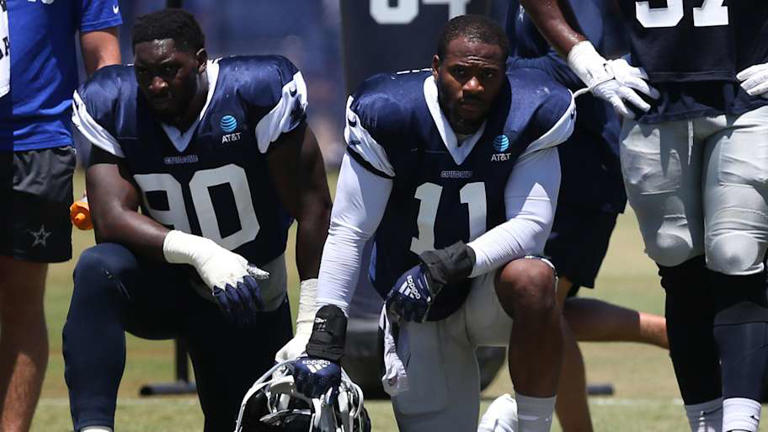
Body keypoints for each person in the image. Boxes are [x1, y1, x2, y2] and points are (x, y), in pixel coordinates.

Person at [288, 15, 576, 432]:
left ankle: (532, 426)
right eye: (460, 73)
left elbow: (531, 224)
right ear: (436, 66)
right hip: (415, 305)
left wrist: (444, 266)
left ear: (505, 75)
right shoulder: (388, 112)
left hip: (488, 289)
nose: (473, 87)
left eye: (487, 76)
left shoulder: (532, 108)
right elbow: (350, 231)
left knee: (533, 278)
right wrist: (325, 338)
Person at [64, 9, 331, 432]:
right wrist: (201, 253)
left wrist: (311, 322)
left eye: (170, 70)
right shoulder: (114, 103)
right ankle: (94, 427)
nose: (156, 84)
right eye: (146, 72)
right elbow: (111, 219)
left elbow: (314, 207)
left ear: (201, 59)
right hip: (167, 281)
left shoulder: (255, 93)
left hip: (246, 294)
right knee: (99, 268)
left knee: (247, 422)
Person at [518, 0, 768, 430]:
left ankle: (739, 424)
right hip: (651, 97)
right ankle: (705, 421)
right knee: (676, 260)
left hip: (747, 95)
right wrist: (584, 56)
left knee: (736, 253)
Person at [478, 2, 667, 431]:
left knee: (538, 304)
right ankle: (667, 331)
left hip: (581, 166)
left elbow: (589, 63)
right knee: (538, 306)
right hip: (530, 154)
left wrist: (495, 78)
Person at [0, 0, 121, 430]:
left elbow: (104, 60)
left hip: (38, 142)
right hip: (37, 144)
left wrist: (108, 159)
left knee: (21, 302)